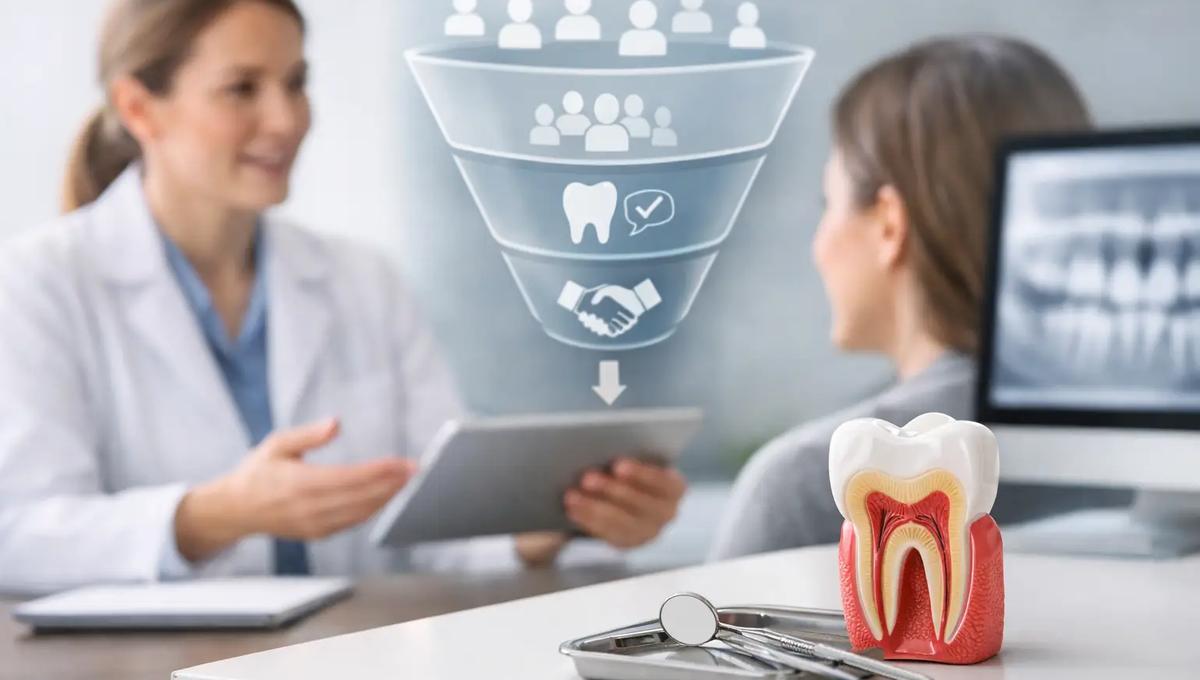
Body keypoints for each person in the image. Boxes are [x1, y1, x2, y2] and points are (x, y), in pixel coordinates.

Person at [0, 0, 686, 594]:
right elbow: (20, 536)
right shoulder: (42, 284)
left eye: (295, 83)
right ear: (138, 108)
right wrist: (212, 515)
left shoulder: (362, 280)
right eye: (242, 89)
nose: (286, 119)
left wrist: (557, 520)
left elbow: (428, 517)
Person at [709, 35, 1130, 561]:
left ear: (889, 224)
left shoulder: (816, 486)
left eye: (829, 203)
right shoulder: (1151, 466)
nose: (818, 244)